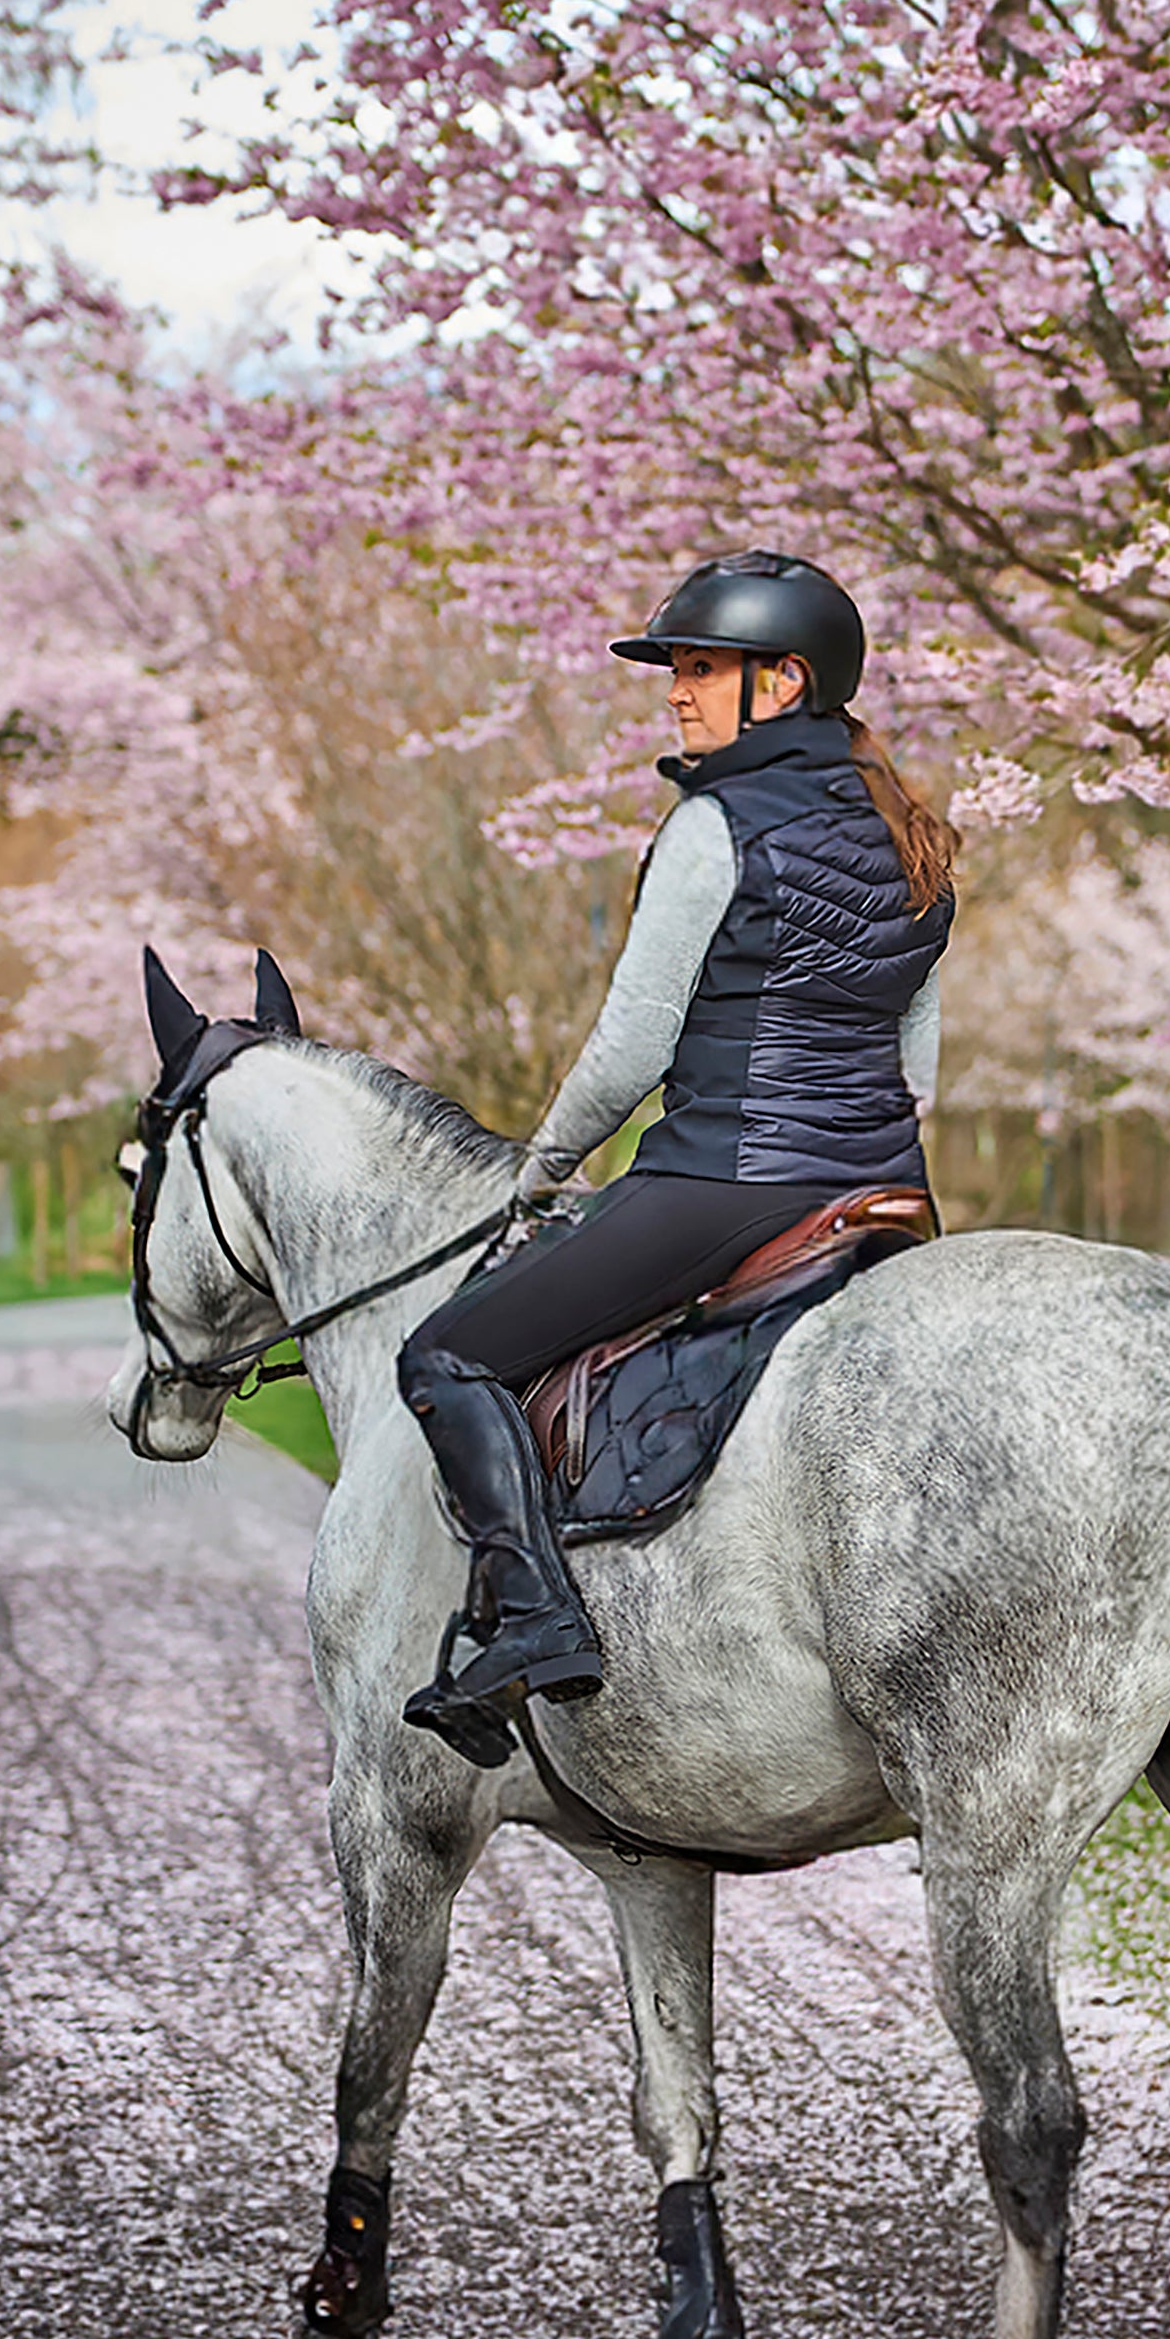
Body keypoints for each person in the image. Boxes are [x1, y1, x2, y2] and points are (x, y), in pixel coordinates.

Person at [396, 551, 961, 1765]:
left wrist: (542, 1166)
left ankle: (535, 1618)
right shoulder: (910, 832)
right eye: (678, 668)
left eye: (703, 667)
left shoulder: (713, 825)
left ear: (784, 681)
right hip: (884, 1193)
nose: (675, 689)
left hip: (726, 1181)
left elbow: (630, 1049)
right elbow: (917, 1063)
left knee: (445, 1352)